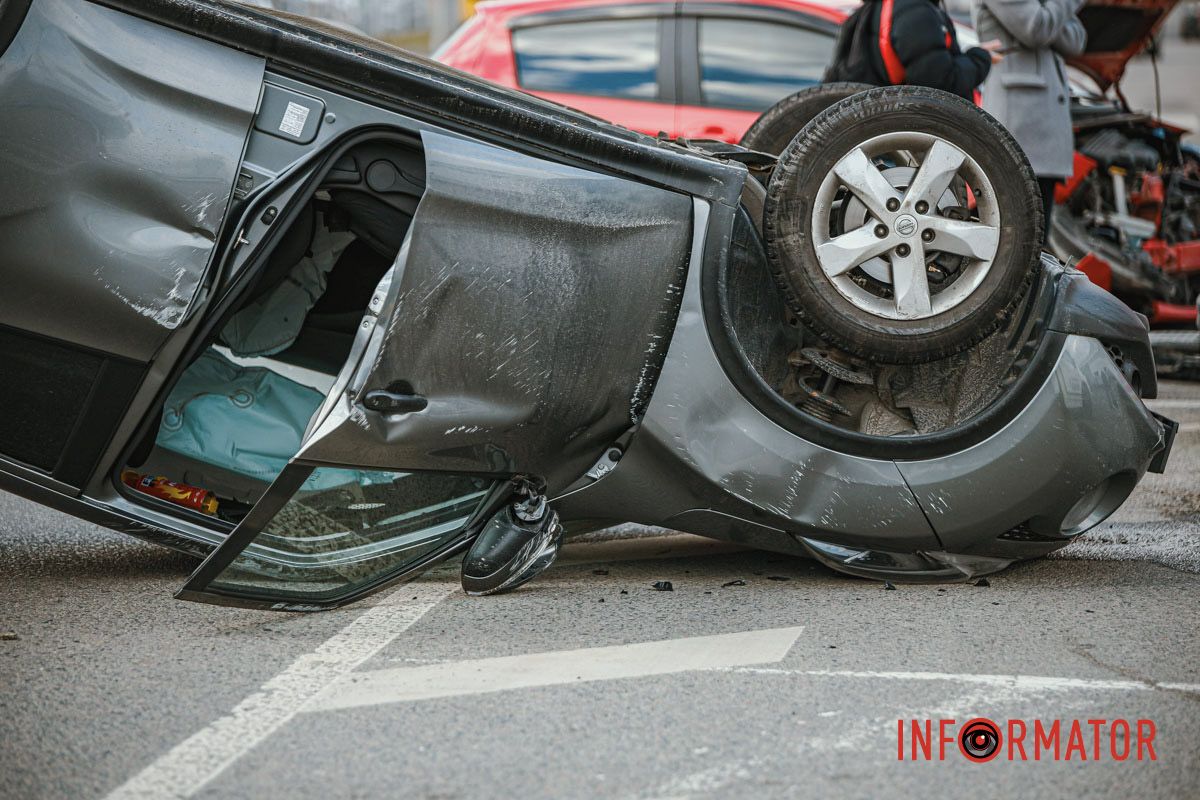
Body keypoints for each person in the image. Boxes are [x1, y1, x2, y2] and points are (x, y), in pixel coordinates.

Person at [972, 0, 1087, 233]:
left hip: (1045, 134)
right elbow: (1036, 29)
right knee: (1017, 236)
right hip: (1020, 129)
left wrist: (1049, 14)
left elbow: (1076, 42)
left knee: (1038, 238)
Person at [825, 0, 1001, 102]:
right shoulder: (916, 11)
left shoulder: (878, 6)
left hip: (878, 133)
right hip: (905, 141)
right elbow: (939, 85)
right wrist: (979, 58)